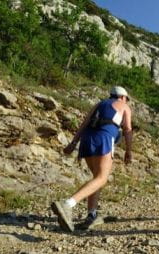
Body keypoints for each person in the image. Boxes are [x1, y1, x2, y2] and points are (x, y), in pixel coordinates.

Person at [51, 86, 133, 232]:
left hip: (87, 139)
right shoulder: (124, 106)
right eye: (127, 99)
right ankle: (68, 204)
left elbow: (84, 123)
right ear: (122, 97)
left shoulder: (99, 104)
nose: (127, 101)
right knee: (102, 178)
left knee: (96, 178)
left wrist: (73, 143)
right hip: (104, 137)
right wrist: (128, 150)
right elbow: (127, 129)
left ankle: (91, 214)